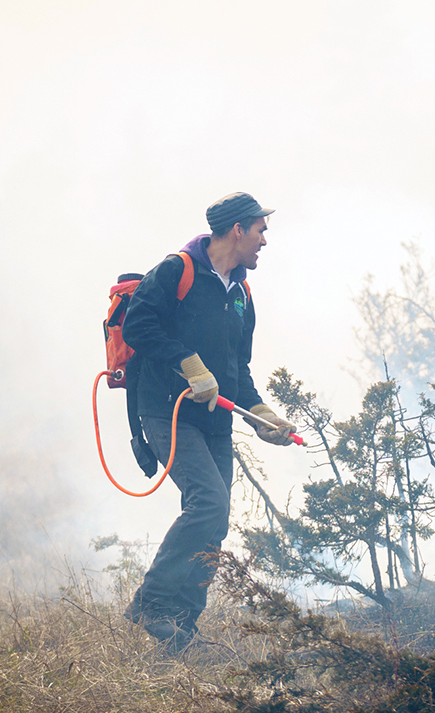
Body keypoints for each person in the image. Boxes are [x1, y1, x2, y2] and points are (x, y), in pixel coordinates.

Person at [121, 191, 297, 648]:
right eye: (260, 231)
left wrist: (260, 414)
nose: (264, 241)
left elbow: (238, 368)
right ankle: (151, 604)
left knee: (214, 520)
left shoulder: (241, 292)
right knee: (209, 504)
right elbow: (139, 327)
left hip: (216, 421)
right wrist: (189, 364)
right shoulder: (176, 271)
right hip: (166, 409)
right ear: (237, 230)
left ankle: (181, 628)